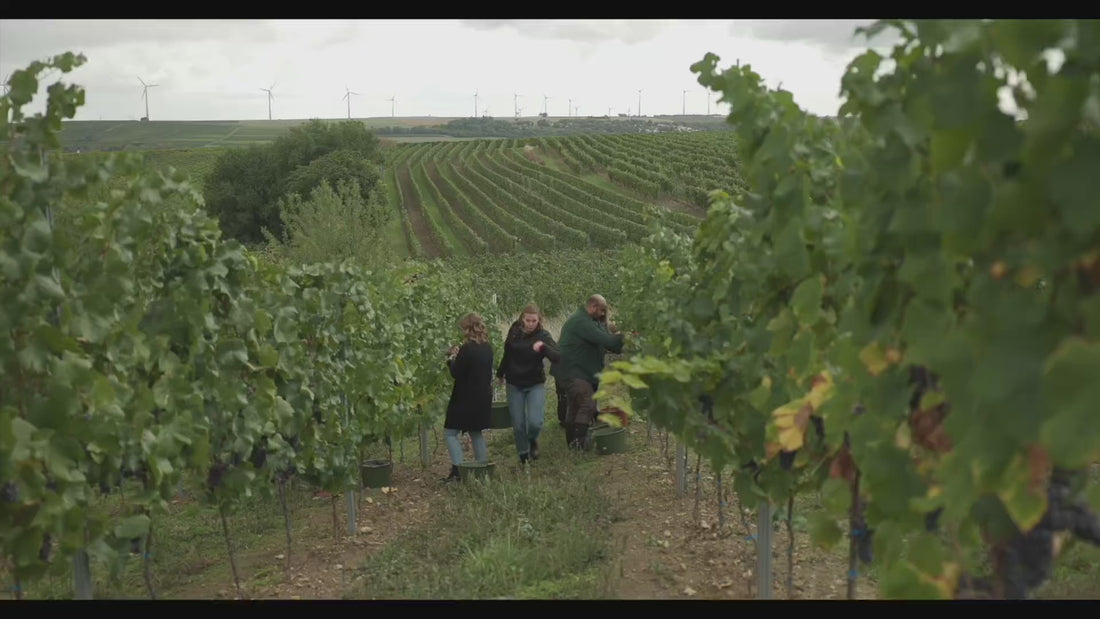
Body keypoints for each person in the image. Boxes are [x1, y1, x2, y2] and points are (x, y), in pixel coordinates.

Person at [557, 294, 624, 450]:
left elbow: (605, 338)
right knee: (587, 404)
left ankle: (573, 447)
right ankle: (579, 446)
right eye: (602, 310)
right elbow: (607, 341)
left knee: (574, 407)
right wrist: (625, 337)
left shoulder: (588, 320)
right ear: (593, 307)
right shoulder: (582, 322)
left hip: (571, 370)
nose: (603, 314)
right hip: (573, 370)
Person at [496, 302, 561, 465]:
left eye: (534, 321)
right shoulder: (514, 331)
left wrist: (544, 348)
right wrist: (500, 373)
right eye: (527, 320)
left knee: (535, 422)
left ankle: (533, 441)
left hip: (534, 383)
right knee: (518, 424)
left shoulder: (543, 336)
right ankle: (524, 456)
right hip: (514, 383)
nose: (531, 324)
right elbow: (507, 354)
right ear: (522, 318)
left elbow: (557, 356)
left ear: (539, 320)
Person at [442, 313, 494, 482]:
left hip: (465, 399)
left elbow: (457, 372)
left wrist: (451, 358)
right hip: (483, 398)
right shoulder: (487, 347)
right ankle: (482, 471)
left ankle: (458, 470)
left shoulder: (467, 348)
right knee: (476, 432)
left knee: (450, 432)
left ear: (467, 329)